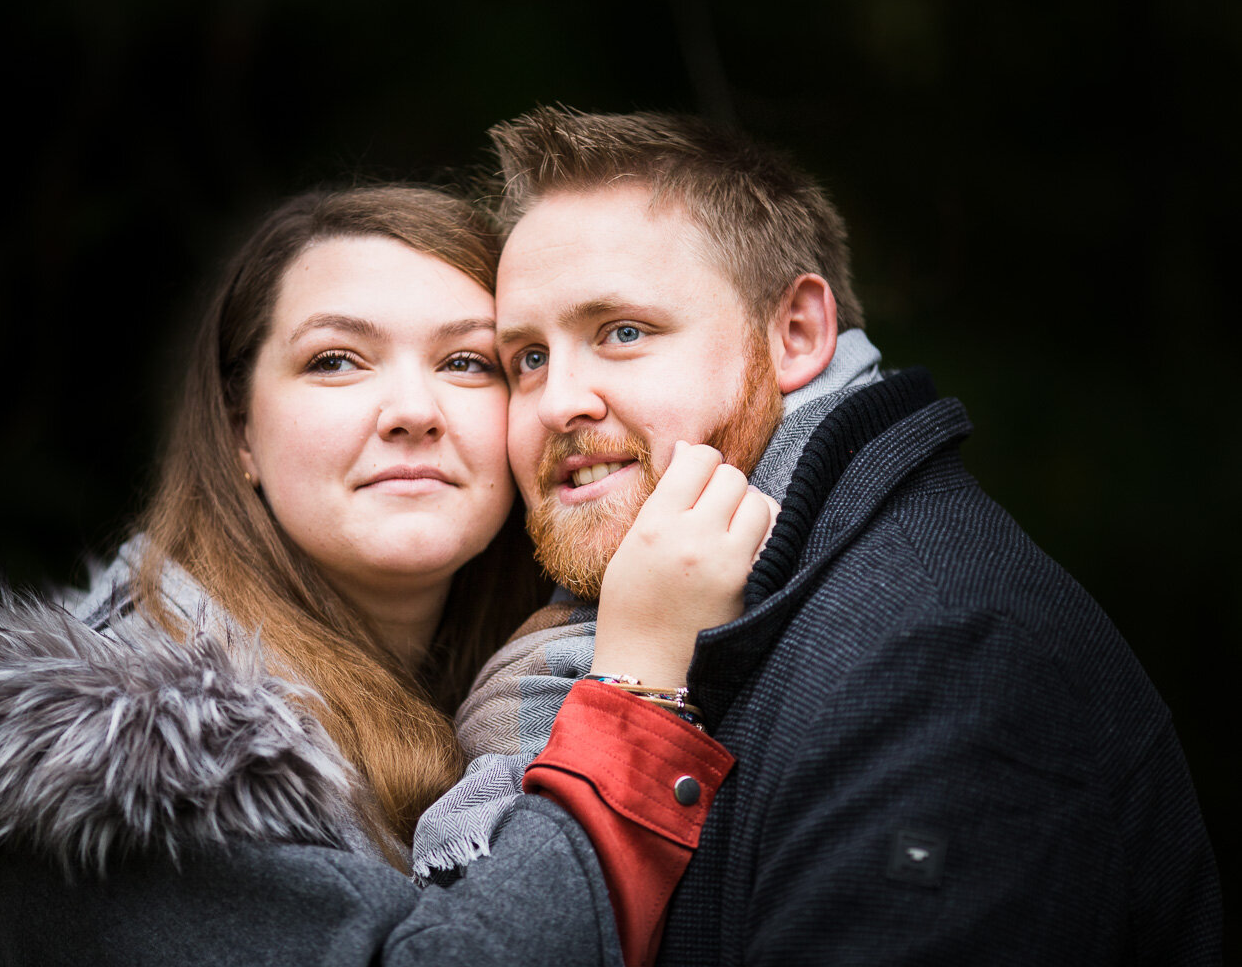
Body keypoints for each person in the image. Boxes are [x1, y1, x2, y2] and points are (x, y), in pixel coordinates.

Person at [0, 184, 773, 967]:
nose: (413, 409)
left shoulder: (500, 692)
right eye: (335, 360)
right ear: (240, 433)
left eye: (469, 362)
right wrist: (640, 684)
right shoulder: (152, 758)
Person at [458, 107, 1223, 965]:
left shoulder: (937, 659)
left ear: (797, 335)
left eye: (624, 333)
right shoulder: (592, 636)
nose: (559, 400)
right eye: (526, 357)